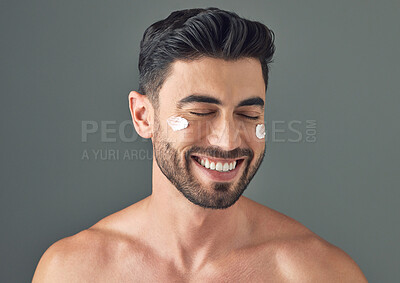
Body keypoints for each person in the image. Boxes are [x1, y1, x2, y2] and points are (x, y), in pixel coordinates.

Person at [33, 8, 367, 282]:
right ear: (143, 116)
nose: (228, 140)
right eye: (200, 112)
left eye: (249, 114)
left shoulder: (319, 273)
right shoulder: (74, 271)